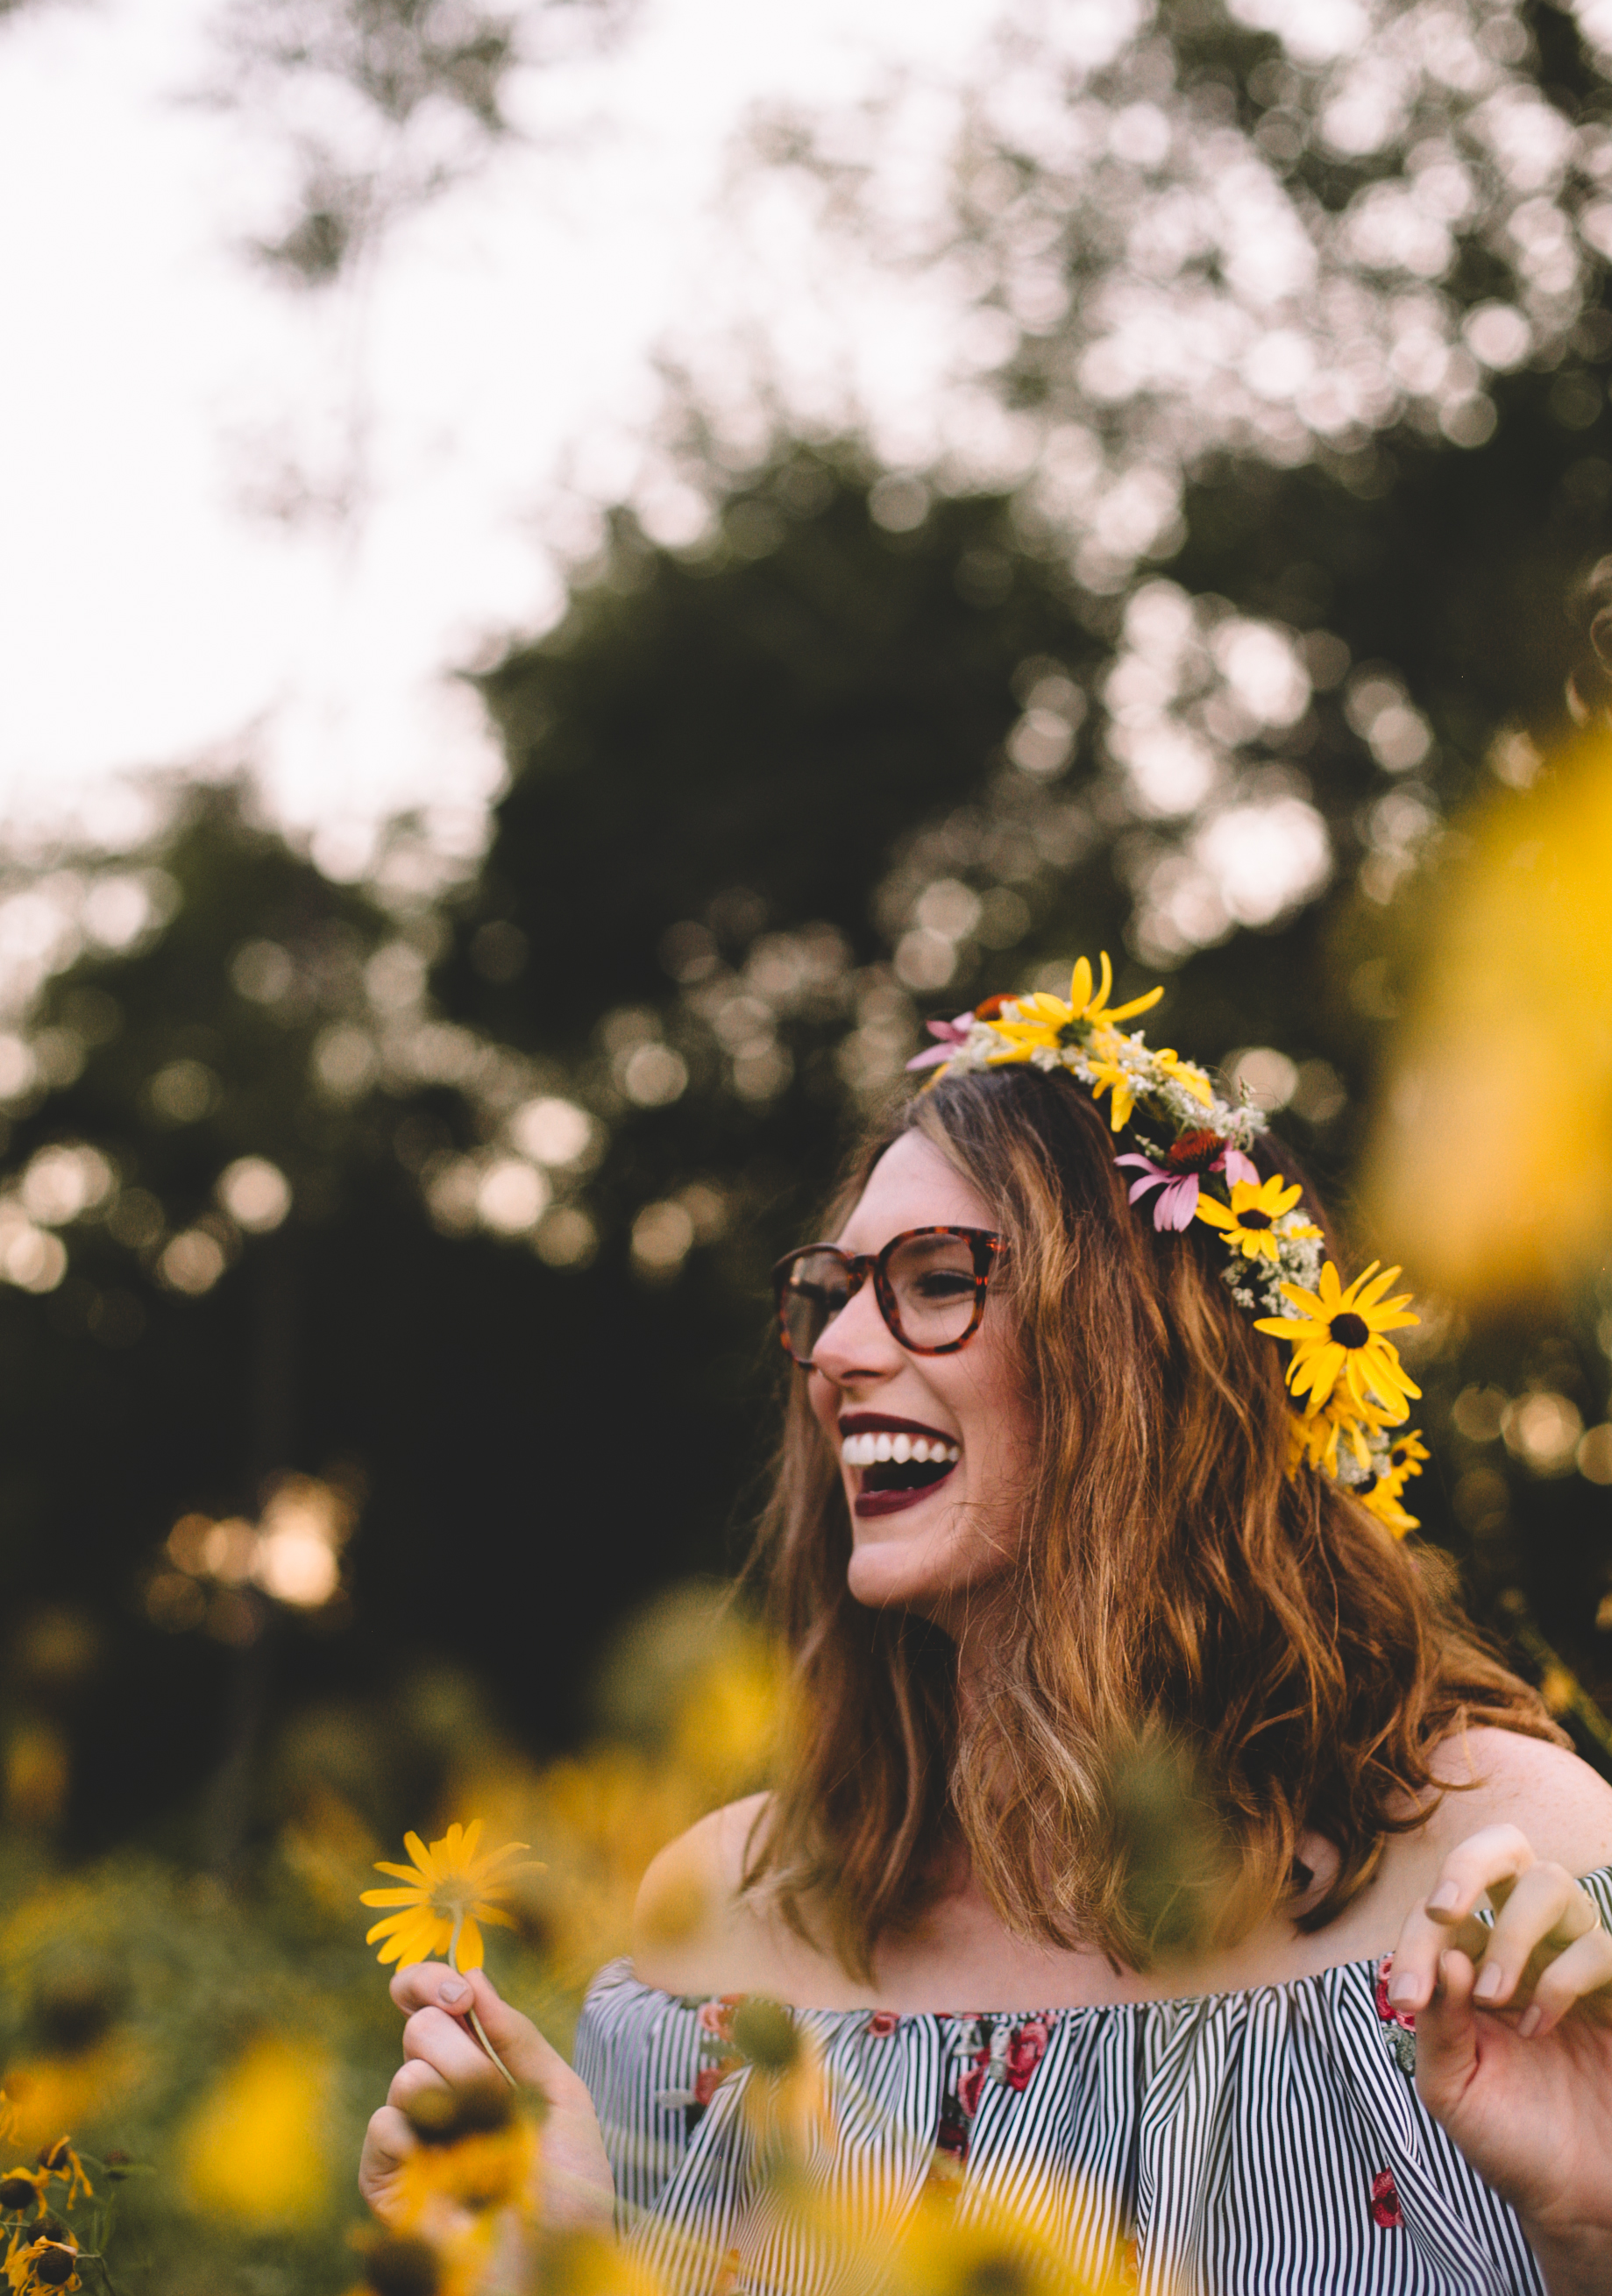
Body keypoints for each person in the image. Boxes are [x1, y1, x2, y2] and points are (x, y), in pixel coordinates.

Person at [362, 957, 1612, 2293]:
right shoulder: (723, 1927)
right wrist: (542, 2267)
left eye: (938, 1276)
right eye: (833, 1291)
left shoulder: (1507, 1879)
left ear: (1152, 1350)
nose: (838, 1349)